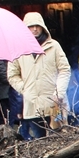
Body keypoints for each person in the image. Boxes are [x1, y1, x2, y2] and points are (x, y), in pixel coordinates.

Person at [7, 12, 71, 140]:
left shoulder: (54, 46)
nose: (35, 29)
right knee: (39, 141)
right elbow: (12, 75)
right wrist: (25, 88)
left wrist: (59, 91)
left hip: (55, 105)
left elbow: (65, 70)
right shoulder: (17, 49)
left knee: (59, 137)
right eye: (31, 26)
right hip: (32, 106)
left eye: (37, 25)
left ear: (43, 27)